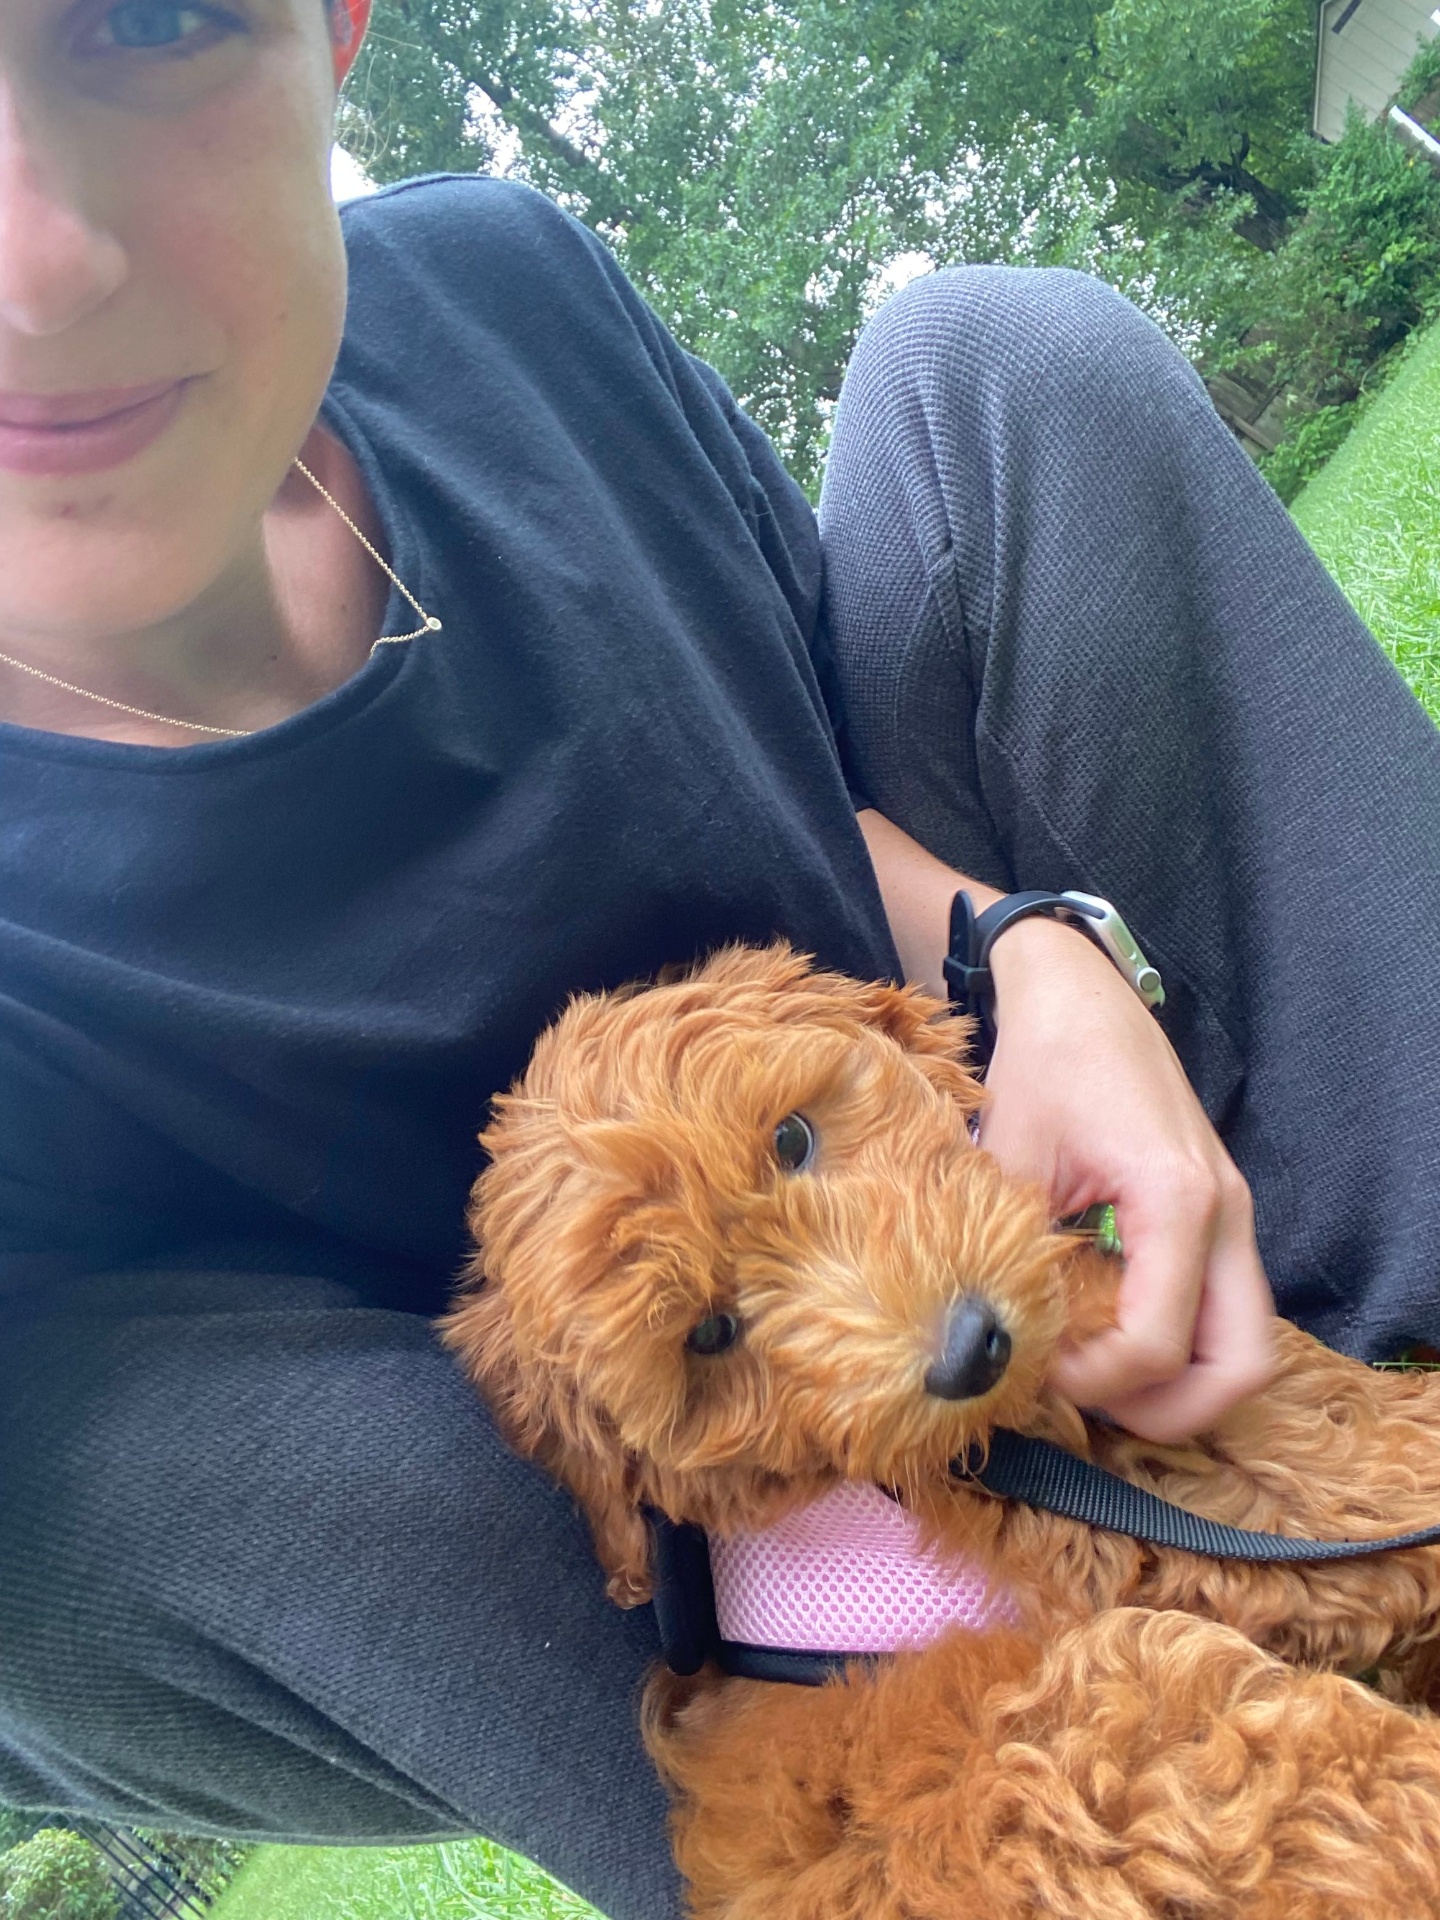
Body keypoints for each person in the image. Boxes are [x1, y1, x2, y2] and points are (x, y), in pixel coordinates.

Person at [0, 0, 1435, 1914]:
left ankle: (1364, 1400)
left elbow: (808, 789)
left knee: (999, 363)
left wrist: (1036, 953)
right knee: (90, 1477)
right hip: (669, 1574)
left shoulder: (510, 300)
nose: (44, 258)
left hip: (963, 1203)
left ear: (334, 26)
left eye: (149, 19)